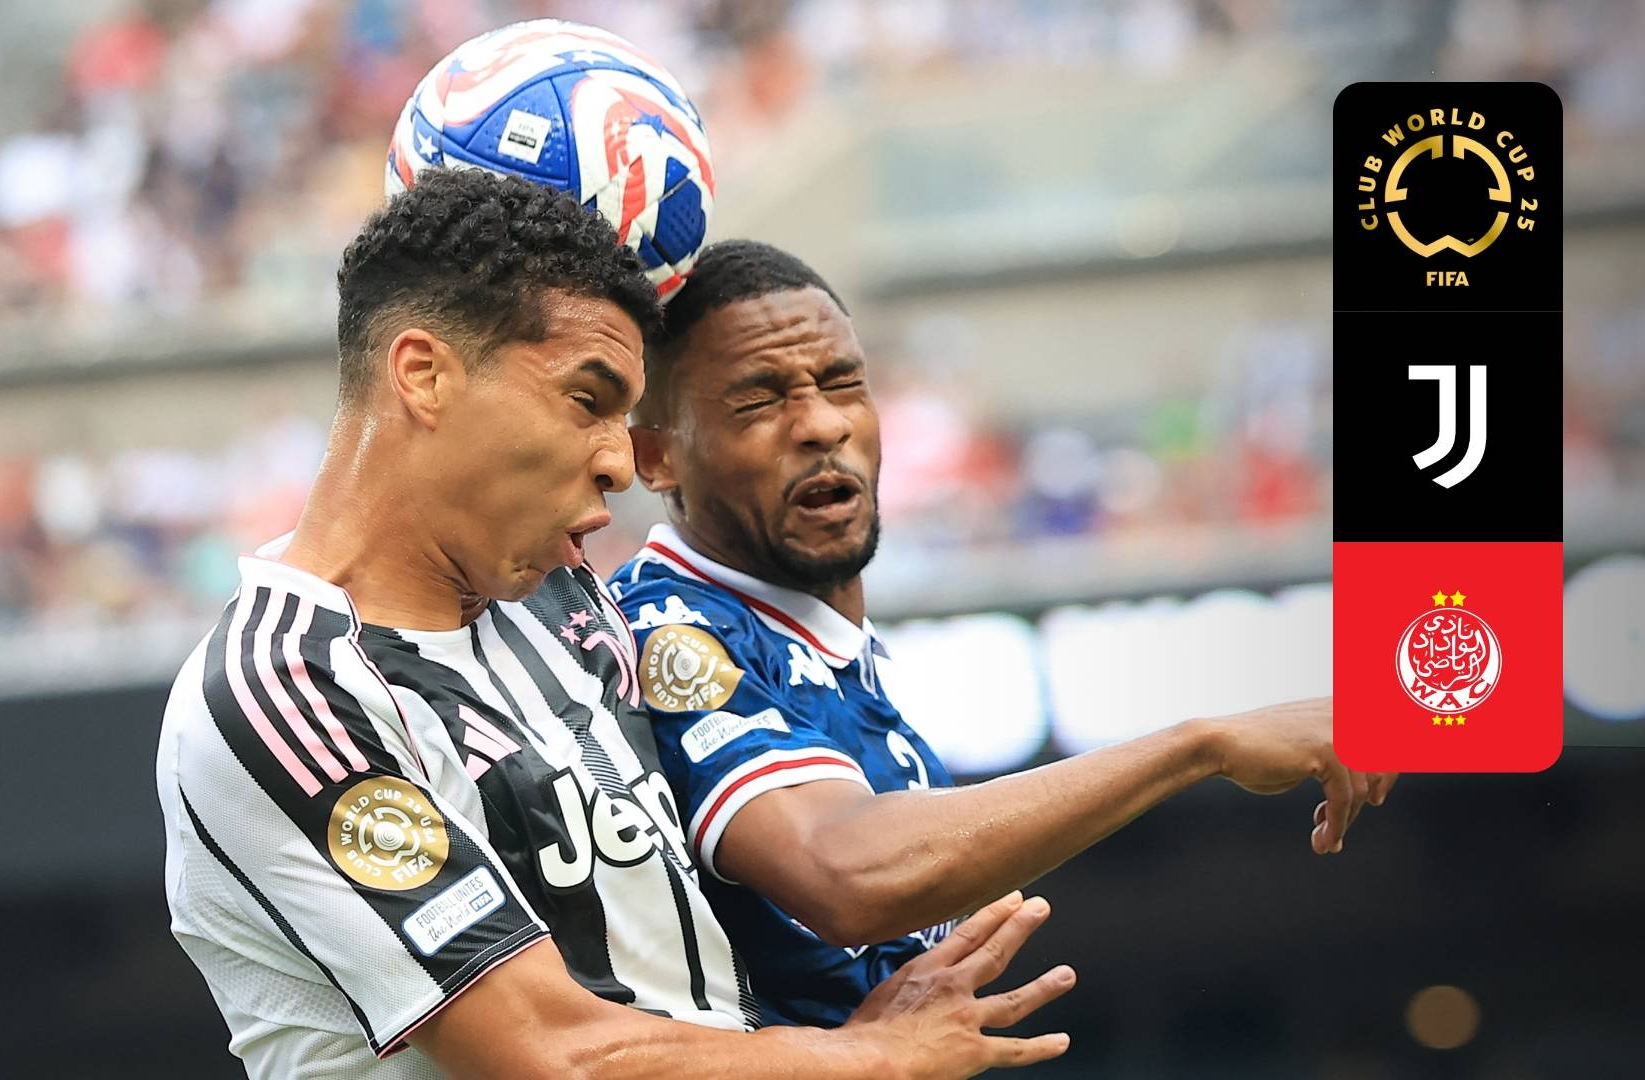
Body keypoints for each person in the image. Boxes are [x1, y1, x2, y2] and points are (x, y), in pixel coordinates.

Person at [154, 169, 1075, 1078]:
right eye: (587, 402)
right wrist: (866, 1057)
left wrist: (831, 1034)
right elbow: (557, 1054)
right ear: (424, 375)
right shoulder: (286, 688)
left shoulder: (564, 598)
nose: (621, 463)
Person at [609, 239, 1401, 1028]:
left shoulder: (814, 643)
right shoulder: (667, 632)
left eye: (844, 383)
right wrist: (1199, 747)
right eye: (757, 402)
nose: (821, 423)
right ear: (657, 457)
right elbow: (842, 873)